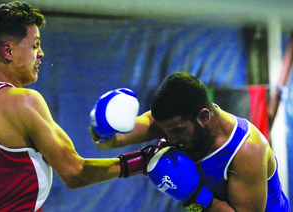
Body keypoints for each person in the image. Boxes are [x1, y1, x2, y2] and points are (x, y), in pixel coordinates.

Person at [0, 1, 146, 211]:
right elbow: (75, 173)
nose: (41, 53)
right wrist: (142, 161)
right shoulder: (25, 101)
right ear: (7, 51)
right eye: (35, 44)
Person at [91, 72, 290, 211]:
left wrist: (194, 197)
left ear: (204, 117)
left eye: (177, 131)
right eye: (165, 131)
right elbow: (110, 142)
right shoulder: (174, 121)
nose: (170, 139)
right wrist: (101, 129)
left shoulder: (247, 150)